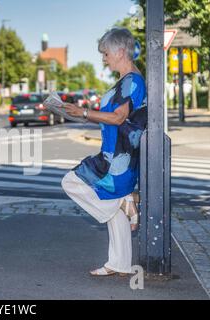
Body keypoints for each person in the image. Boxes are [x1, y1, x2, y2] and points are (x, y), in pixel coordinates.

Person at [61, 27, 147, 277]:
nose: (103, 58)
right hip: (114, 152)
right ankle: (119, 263)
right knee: (111, 205)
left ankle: (124, 201)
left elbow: (119, 118)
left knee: (71, 182)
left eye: (106, 52)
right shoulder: (127, 80)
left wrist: (84, 113)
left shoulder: (132, 80)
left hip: (118, 158)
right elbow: (114, 117)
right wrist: (77, 114)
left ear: (121, 51)